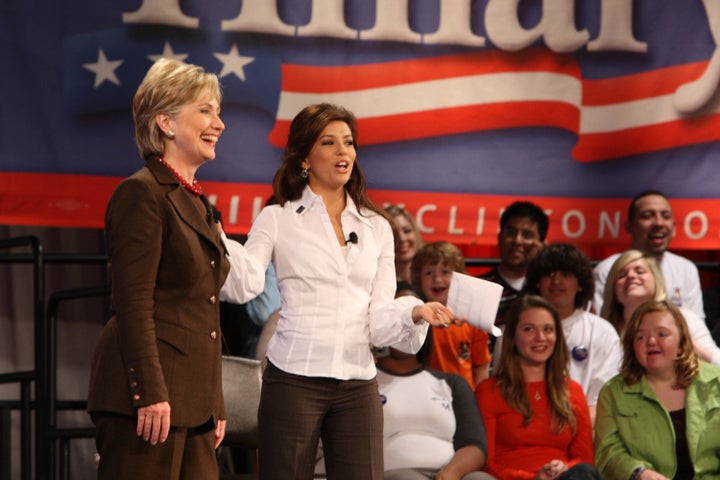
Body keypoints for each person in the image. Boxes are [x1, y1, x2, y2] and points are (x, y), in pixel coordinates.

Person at [219, 103, 458, 480]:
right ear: (304, 158)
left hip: (358, 383)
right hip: (293, 378)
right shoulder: (278, 218)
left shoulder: (376, 226)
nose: (343, 151)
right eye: (329, 142)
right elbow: (246, 279)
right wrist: (213, 238)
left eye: (348, 142)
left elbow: (378, 319)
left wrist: (413, 312)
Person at [87, 58, 229, 479]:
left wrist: (215, 401)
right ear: (166, 123)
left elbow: (205, 310)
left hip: (195, 403)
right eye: (204, 110)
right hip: (149, 404)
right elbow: (132, 303)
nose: (218, 123)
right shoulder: (141, 194)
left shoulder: (198, 202)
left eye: (217, 112)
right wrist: (148, 391)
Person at [475, 295, 600, 480]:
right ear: (513, 337)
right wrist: (532, 478)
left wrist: (565, 468)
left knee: (585, 473)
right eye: (529, 329)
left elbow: (584, 460)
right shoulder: (489, 391)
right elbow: (485, 463)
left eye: (548, 329)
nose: (540, 338)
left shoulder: (572, 391)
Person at [595, 300, 720, 480]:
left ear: (682, 343)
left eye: (662, 334)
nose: (651, 341)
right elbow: (608, 453)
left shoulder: (716, 382)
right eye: (640, 337)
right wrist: (640, 474)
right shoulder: (613, 393)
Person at [515, 243, 622, 424]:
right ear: (537, 283)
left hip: (584, 430)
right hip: (524, 427)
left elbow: (605, 401)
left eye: (565, 274)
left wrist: (566, 429)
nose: (556, 281)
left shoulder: (601, 331)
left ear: (580, 284)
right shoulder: (516, 328)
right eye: (549, 274)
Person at [593, 190, 704, 320]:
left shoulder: (686, 269)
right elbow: (602, 324)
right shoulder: (607, 269)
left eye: (666, 216)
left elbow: (696, 326)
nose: (659, 223)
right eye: (647, 216)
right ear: (629, 226)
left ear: (674, 228)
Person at [600, 249, 720, 365]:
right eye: (622, 275)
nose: (631, 276)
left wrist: (685, 343)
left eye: (640, 271)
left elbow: (717, 362)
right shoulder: (603, 330)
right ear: (613, 289)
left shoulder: (685, 318)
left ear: (656, 279)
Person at [412, 241, 492, 387]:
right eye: (429, 273)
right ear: (418, 279)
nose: (437, 279)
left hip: (462, 398)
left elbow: (481, 368)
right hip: (423, 395)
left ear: (459, 277)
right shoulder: (415, 318)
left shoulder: (471, 319)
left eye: (445, 272)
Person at [479, 201, 548, 329]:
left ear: (542, 244)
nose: (517, 241)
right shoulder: (479, 289)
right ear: (499, 237)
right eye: (510, 233)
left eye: (527, 235)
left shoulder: (549, 289)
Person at [386, 205, 424, 285]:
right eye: (394, 234)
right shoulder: (376, 282)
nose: (402, 239)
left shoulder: (434, 279)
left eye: (407, 231)